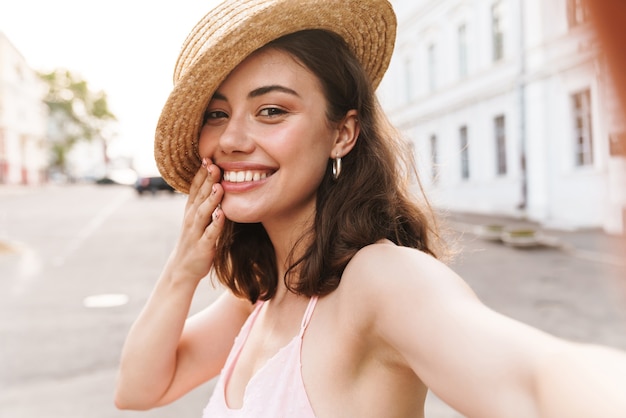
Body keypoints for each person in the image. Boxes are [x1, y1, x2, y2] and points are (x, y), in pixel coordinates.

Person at [115, 0, 626, 416]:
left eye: (272, 110)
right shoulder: (262, 293)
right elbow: (139, 390)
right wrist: (183, 268)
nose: (231, 138)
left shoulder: (379, 279)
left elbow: (536, 380)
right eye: (217, 114)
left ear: (342, 133)